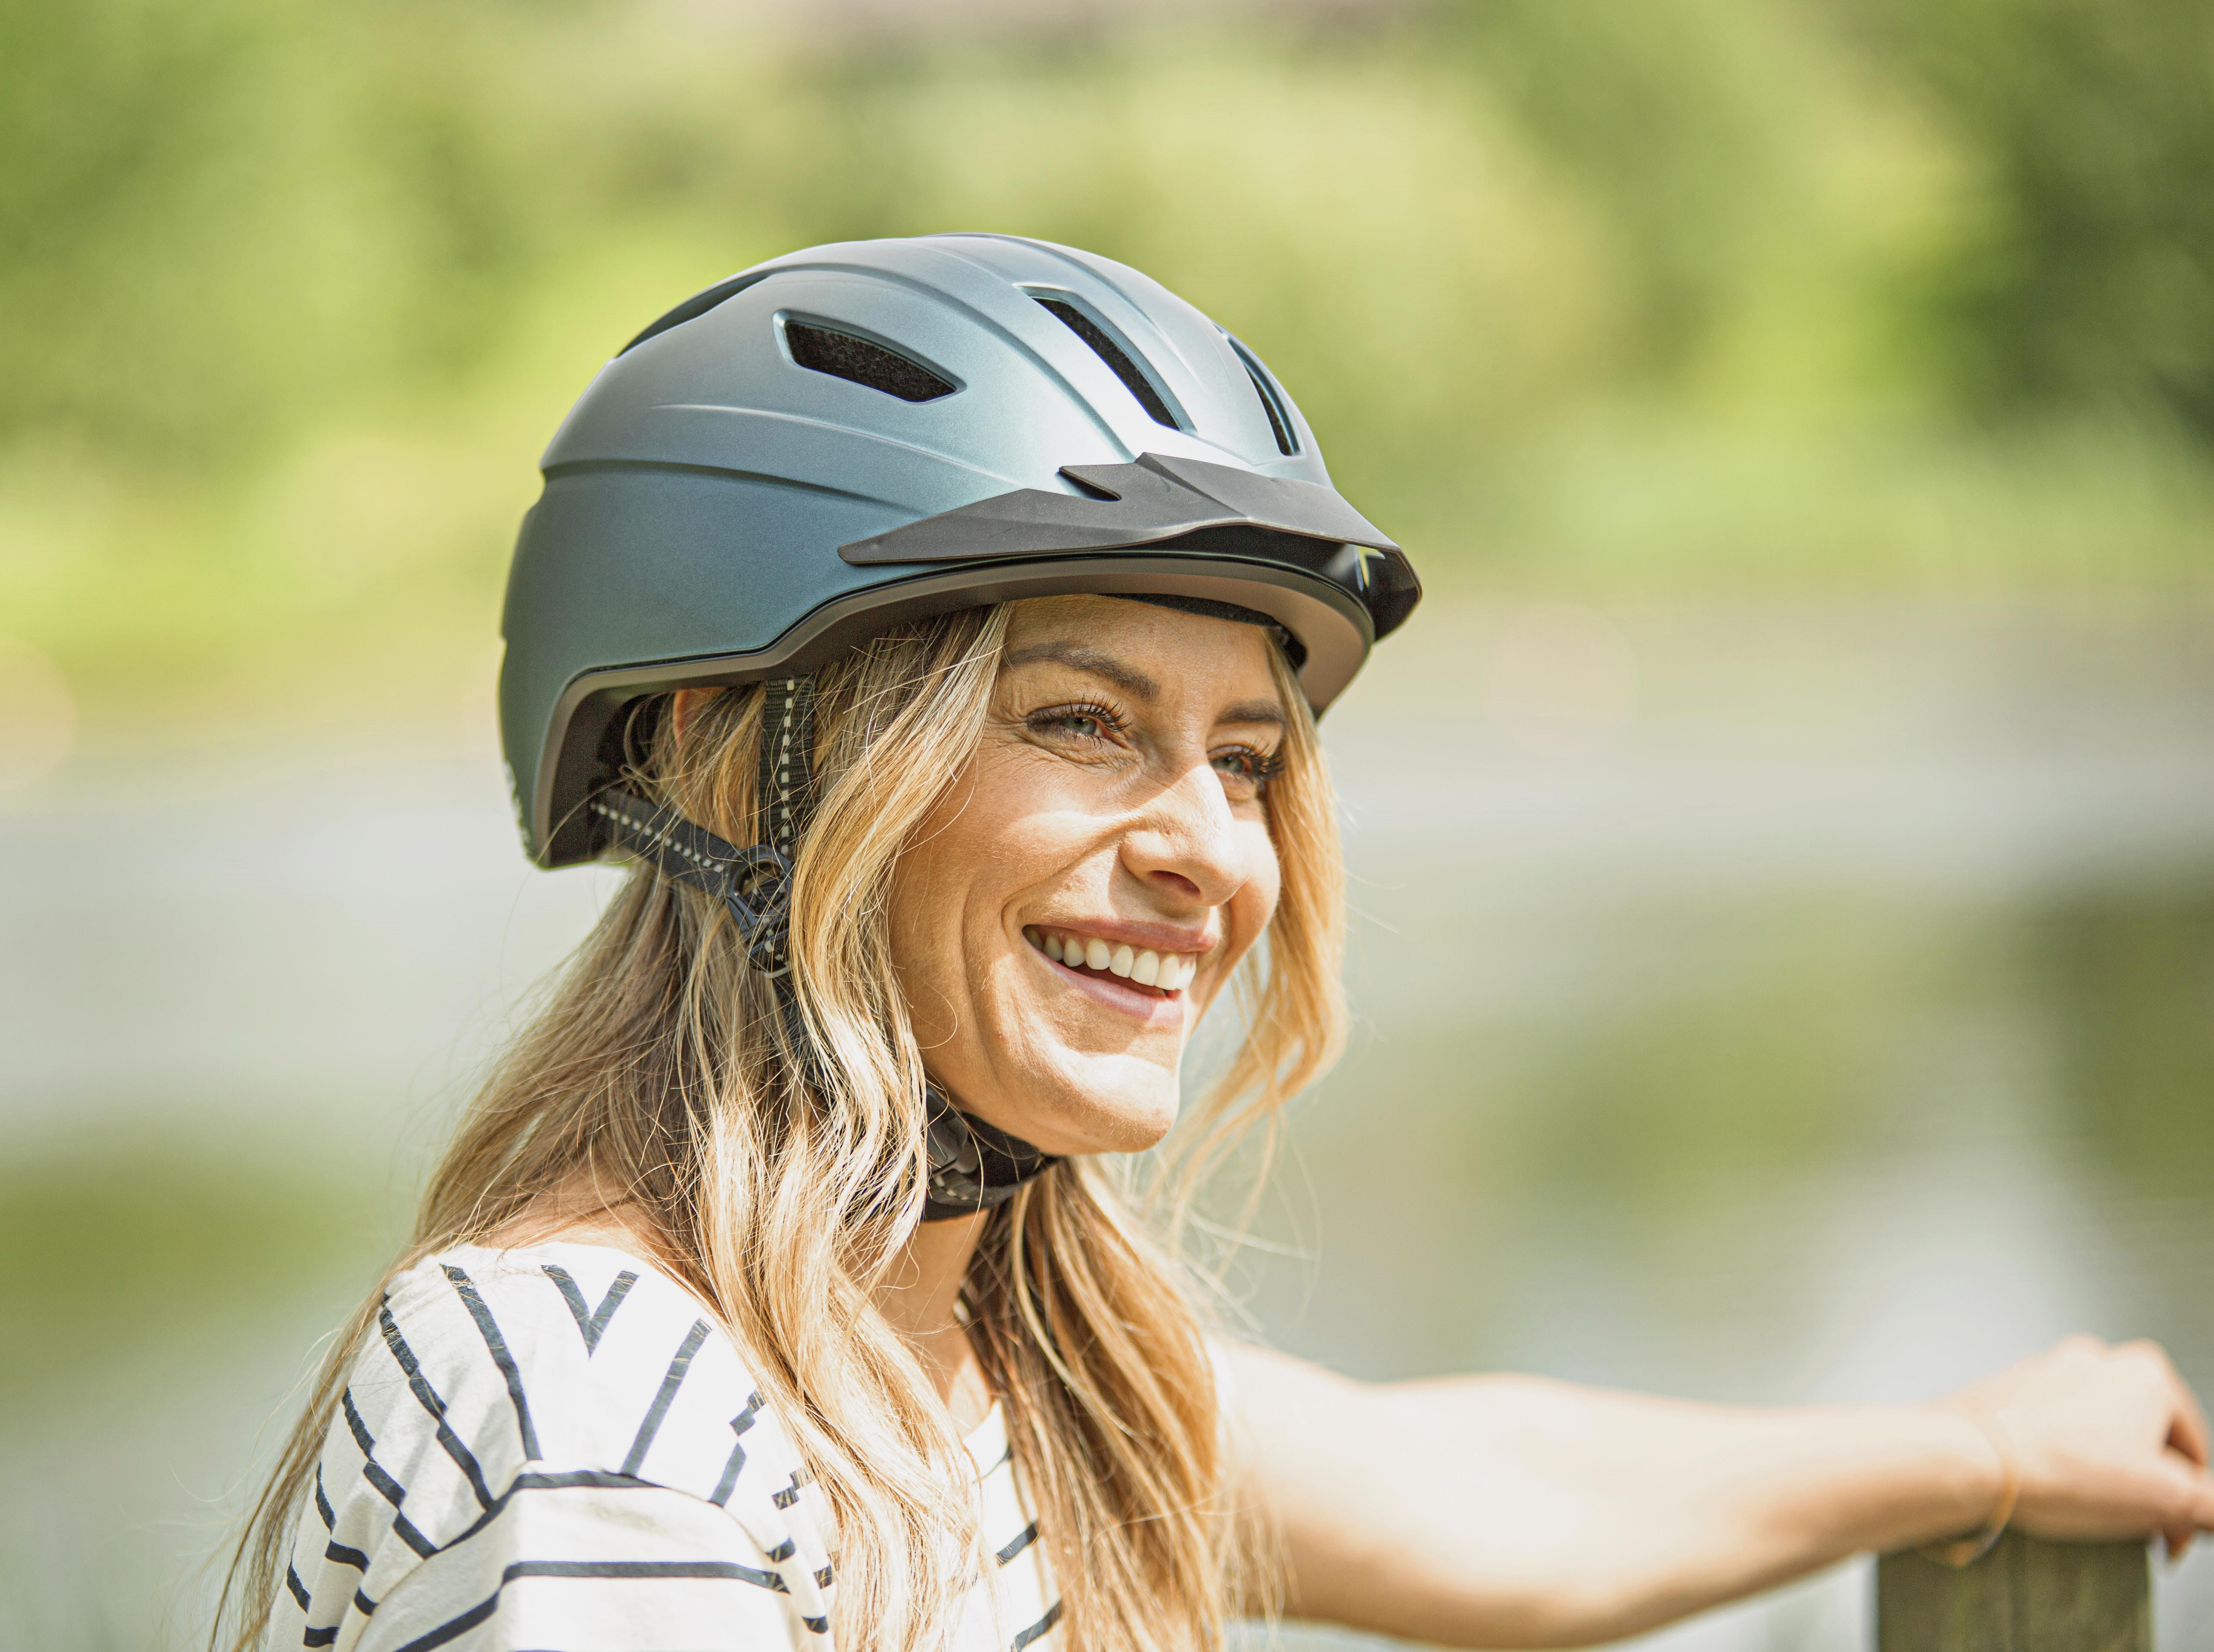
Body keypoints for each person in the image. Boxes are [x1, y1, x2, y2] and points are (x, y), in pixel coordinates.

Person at [216, 235, 2213, 1652]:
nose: (1211, 856)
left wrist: (1983, 1451)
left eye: (1248, 763)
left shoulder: (988, 1357)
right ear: (738, 769)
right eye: (1082, 723)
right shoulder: (599, 1413)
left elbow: (1485, 1505)